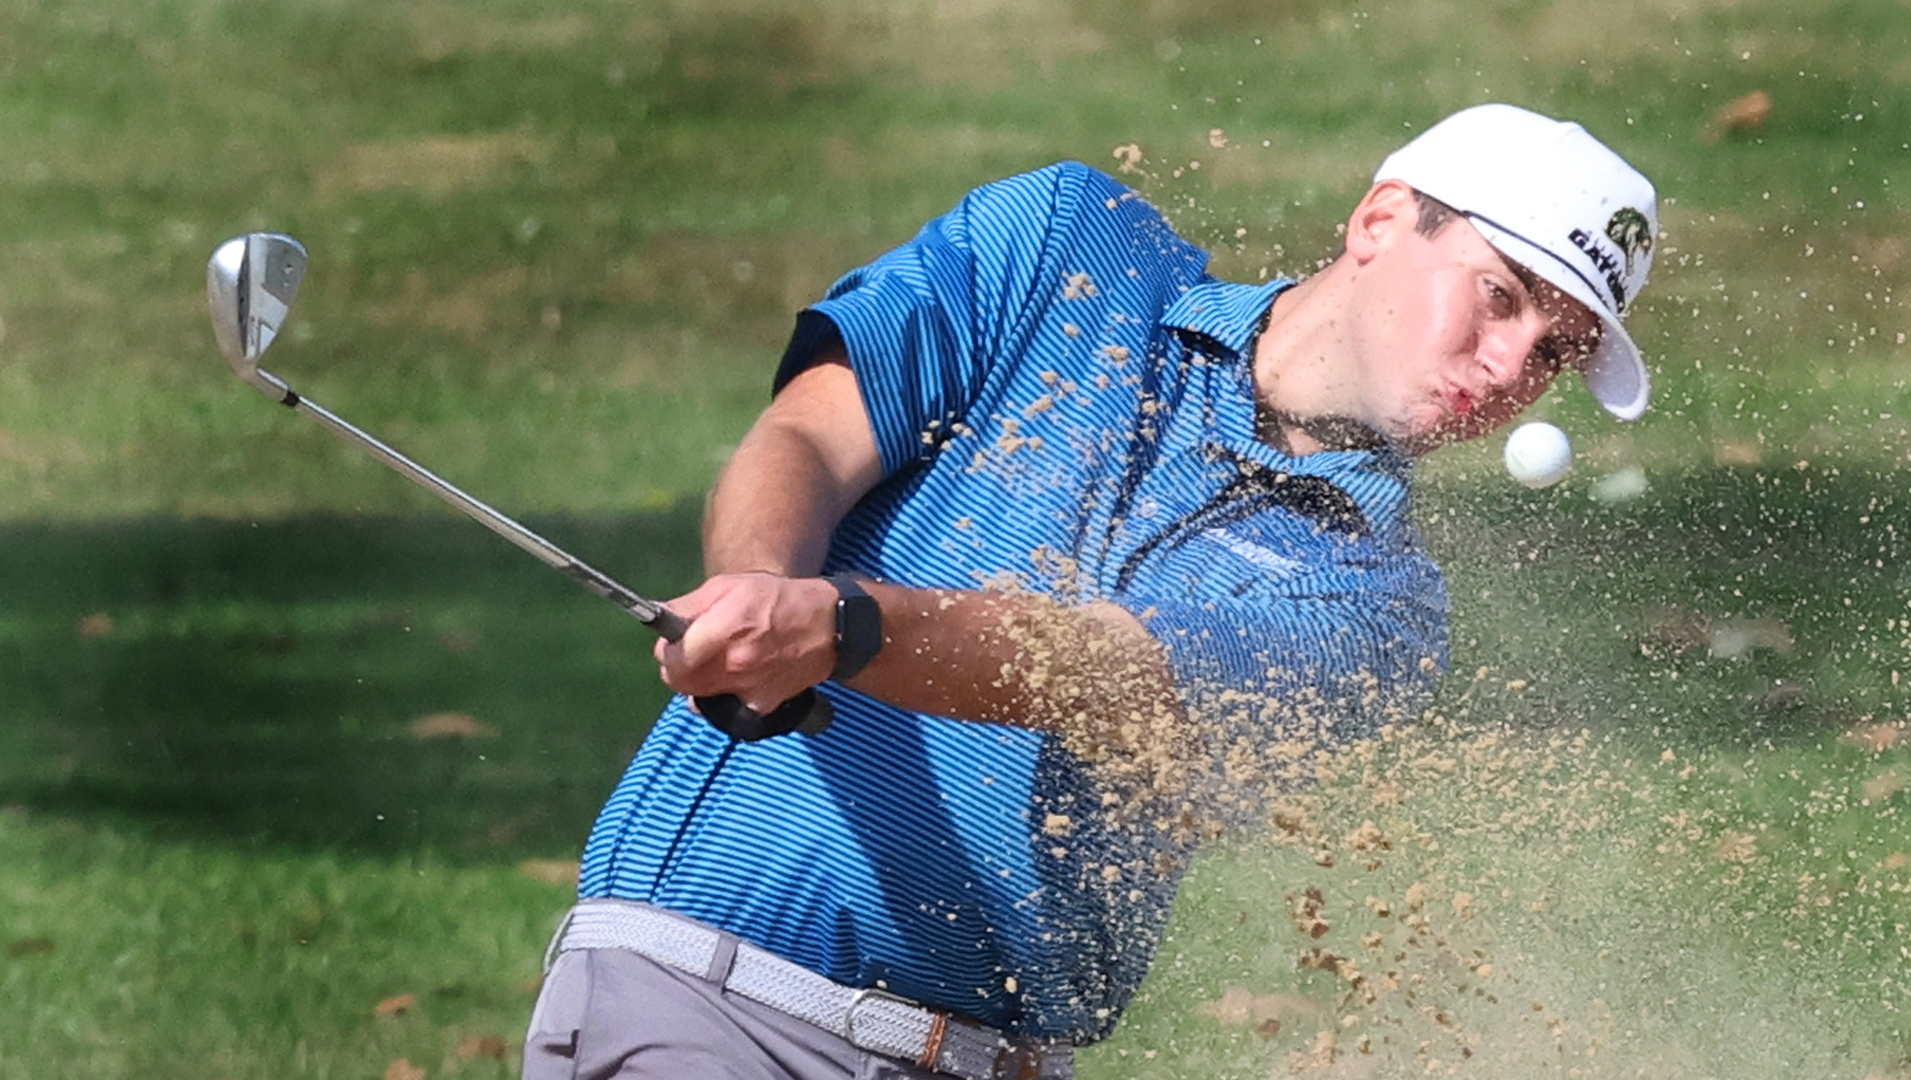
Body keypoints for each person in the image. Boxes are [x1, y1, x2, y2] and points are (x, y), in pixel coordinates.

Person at [522, 103, 1661, 1080]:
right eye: (1501, 296)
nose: (1513, 367)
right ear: (1378, 221)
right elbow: (811, 435)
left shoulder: (1382, 602)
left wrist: (843, 628)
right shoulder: (1071, 244)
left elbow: (1105, 673)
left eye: (1555, 351)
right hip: (708, 1002)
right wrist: (758, 590)